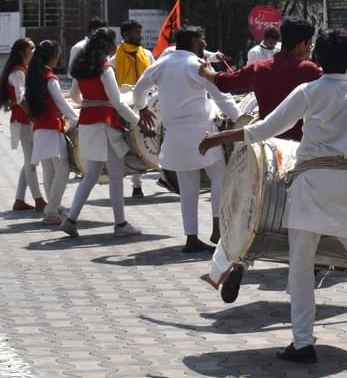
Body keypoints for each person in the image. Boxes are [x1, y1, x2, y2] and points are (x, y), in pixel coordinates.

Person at [201, 28, 347, 362]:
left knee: (300, 266)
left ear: (317, 57)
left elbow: (265, 129)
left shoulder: (309, 92)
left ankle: (302, 343)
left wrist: (220, 137)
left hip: (310, 186)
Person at [135, 26, 240, 253]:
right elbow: (221, 96)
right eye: (202, 40)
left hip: (175, 137)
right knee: (219, 177)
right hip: (203, 134)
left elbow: (139, 89)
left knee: (188, 189)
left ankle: (191, 238)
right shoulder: (196, 65)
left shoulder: (162, 63)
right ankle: (217, 228)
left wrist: (142, 108)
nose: (205, 44)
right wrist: (241, 120)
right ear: (194, 42)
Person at [61, 28, 141, 238]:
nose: (116, 46)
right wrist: (139, 122)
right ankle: (120, 224)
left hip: (87, 124)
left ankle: (71, 218)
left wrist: (91, 102)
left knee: (90, 175)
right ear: (108, 45)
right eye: (114, 42)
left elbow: (74, 97)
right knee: (116, 175)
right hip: (106, 125)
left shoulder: (81, 66)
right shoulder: (105, 68)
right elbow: (118, 102)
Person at [210, 19, 322, 141]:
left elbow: (225, 83)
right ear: (301, 46)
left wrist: (207, 73)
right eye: (309, 45)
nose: (309, 50)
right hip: (300, 144)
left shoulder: (258, 68)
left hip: (267, 144)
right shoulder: (310, 71)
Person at [23, 41, 77, 224]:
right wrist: (77, 118)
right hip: (52, 127)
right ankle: (52, 209)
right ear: (53, 56)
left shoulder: (34, 75)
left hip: (39, 127)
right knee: (62, 169)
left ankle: (54, 207)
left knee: (49, 170)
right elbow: (61, 102)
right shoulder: (50, 78)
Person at [0, 38, 45, 213]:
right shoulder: (18, 73)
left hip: (26, 120)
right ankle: (39, 200)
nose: (34, 50)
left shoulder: (24, 70)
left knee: (29, 160)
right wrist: (34, 117)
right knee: (31, 161)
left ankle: (19, 200)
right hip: (24, 121)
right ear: (21, 52)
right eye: (31, 48)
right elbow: (22, 98)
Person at [114, 20, 155, 199]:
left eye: (140, 32)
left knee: (153, 138)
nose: (140, 36)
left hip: (147, 104)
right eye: (136, 33)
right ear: (125, 35)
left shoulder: (147, 54)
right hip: (126, 106)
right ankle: (136, 184)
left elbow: (155, 75)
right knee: (133, 142)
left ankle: (164, 174)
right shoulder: (115, 57)